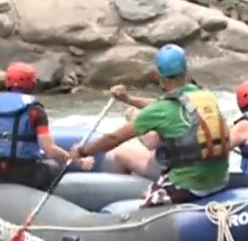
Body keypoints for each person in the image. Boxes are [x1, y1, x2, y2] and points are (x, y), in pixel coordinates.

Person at [69, 43, 231, 207]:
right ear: (187, 71)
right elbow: (159, 106)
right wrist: (129, 100)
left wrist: (83, 151)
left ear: (159, 76)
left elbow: (114, 138)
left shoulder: (161, 110)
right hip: (219, 181)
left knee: (145, 199)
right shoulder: (205, 97)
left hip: (189, 185)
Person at [0, 62, 92, 191]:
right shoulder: (34, 111)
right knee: (57, 167)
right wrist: (78, 162)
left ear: (7, 82)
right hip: (27, 175)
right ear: (32, 84)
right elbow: (50, 150)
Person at [105, 107, 162, 180]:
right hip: (175, 163)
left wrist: (134, 120)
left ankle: (123, 188)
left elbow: (150, 143)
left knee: (120, 152)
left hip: (168, 170)